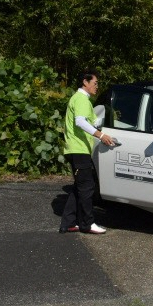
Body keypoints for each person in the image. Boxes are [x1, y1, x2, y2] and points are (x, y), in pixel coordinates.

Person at [59, 69, 115, 234]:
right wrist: (101, 135)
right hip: (79, 149)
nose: (97, 86)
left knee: (80, 186)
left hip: (76, 149)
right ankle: (87, 224)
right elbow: (80, 122)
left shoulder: (80, 100)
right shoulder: (82, 99)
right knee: (87, 187)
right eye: (95, 83)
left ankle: (68, 222)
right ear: (85, 82)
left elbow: (91, 121)